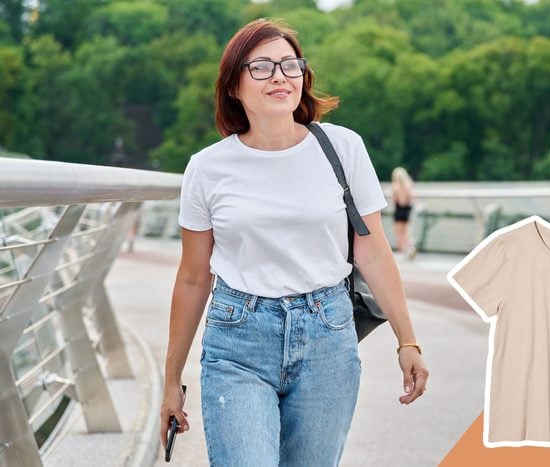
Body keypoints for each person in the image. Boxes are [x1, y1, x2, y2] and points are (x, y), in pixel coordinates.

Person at [159, 19, 429, 466]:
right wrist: (172, 379)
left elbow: (374, 252)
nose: (280, 76)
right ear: (233, 85)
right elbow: (192, 278)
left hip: (328, 336)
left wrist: (408, 341)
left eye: (290, 64)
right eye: (262, 67)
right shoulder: (207, 168)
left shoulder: (343, 148)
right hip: (237, 340)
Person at [391, 166, 417, 260]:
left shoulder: (395, 186)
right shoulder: (408, 185)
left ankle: (402, 253)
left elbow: (395, 200)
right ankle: (411, 248)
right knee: (406, 232)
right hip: (406, 211)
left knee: (399, 233)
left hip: (399, 211)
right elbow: (411, 199)